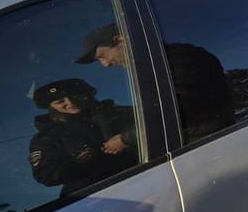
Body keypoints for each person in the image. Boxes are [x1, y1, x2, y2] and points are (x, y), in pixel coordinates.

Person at [77, 23, 233, 144]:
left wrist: (128, 138)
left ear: (120, 40)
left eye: (102, 56)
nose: (105, 64)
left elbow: (176, 109)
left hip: (212, 144)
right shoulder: (152, 67)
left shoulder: (174, 58)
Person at [28, 77, 138, 196]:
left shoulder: (119, 113)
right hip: (92, 196)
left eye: (75, 96)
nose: (70, 103)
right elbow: (46, 175)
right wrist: (83, 162)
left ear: (86, 95)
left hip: (139, 177)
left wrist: (126, 138)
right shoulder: (48, 138)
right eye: (60, 102)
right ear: (51, 107)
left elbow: (155, 121)